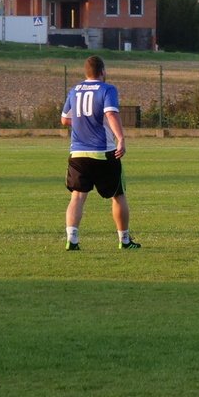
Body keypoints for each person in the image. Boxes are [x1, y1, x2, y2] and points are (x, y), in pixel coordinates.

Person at [61, 55, 140, 251]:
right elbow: (111, 113)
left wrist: (83, 121)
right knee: (118, 195)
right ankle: (124, 240)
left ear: (86, 72)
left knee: (77, 197)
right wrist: (120, 138)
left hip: (78, 153)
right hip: (104, 152)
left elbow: (65, 119)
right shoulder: (107, 89)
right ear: (103, 71)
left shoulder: (75, 90)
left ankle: (72, 239)